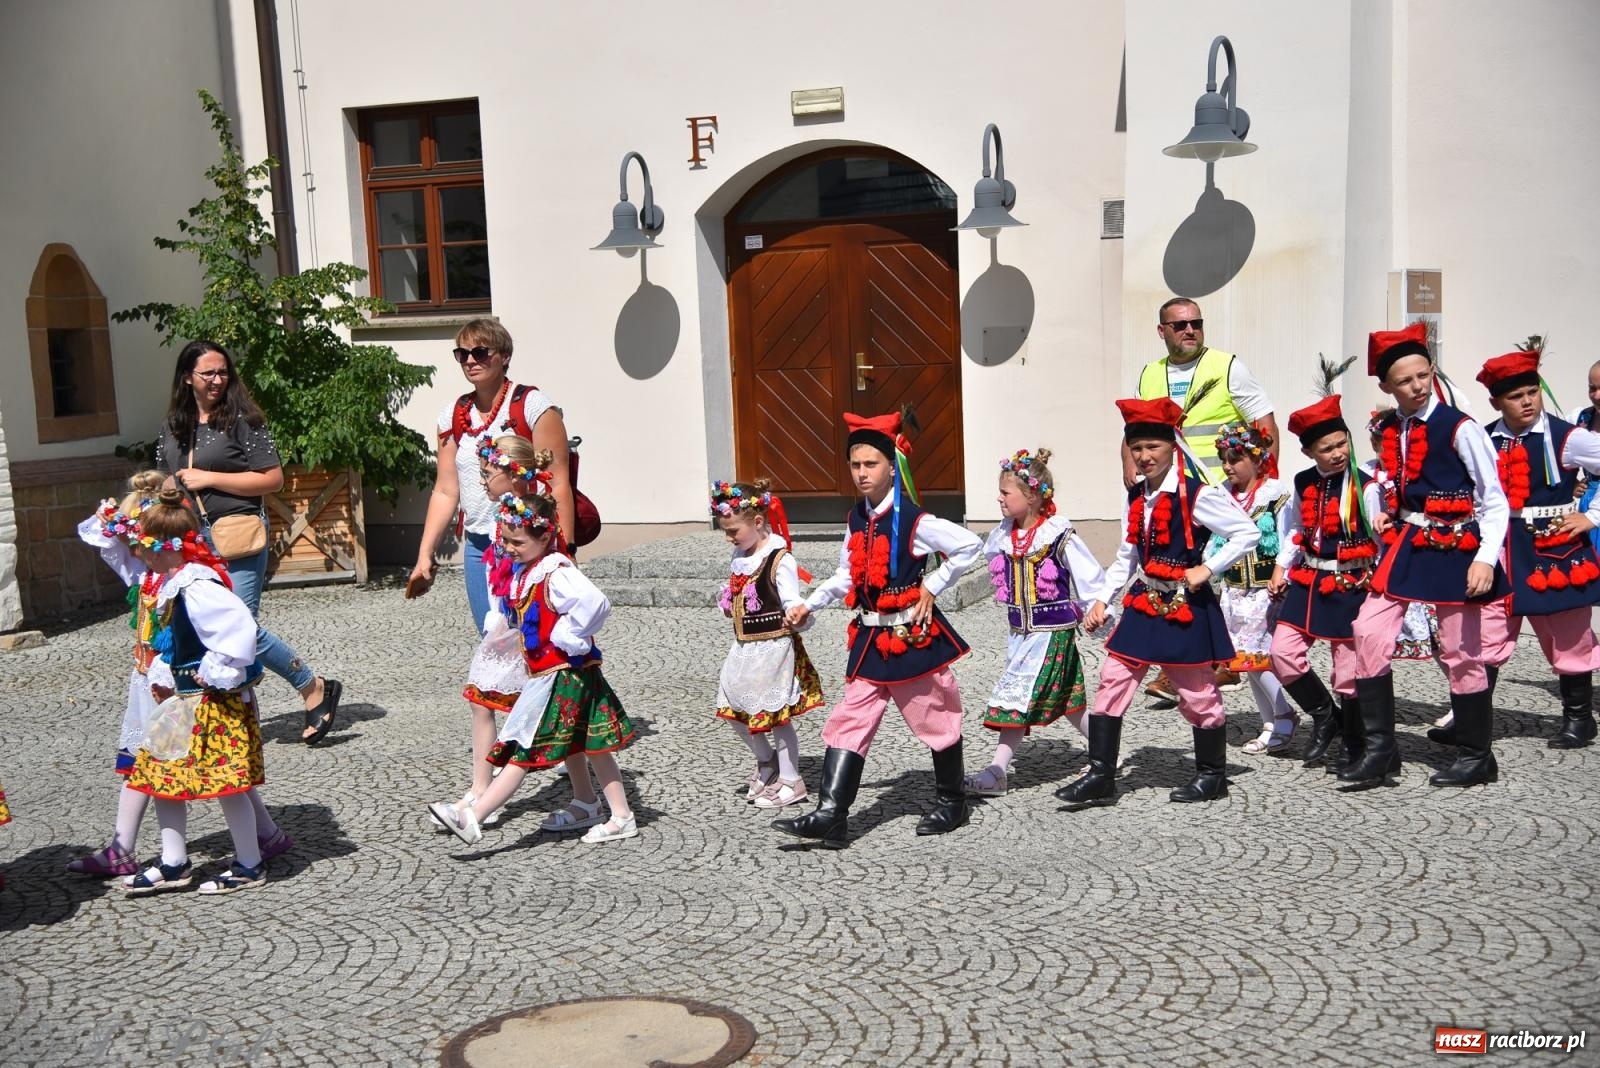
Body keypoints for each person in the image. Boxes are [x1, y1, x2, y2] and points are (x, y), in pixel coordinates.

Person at [771, 409, 983, 848]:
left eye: (871, 464)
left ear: (892, 466)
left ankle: (951, 800)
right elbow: (847, 575)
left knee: (936, 719)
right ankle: (832, 814)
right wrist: (809, 606)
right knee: (849, 721)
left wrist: (933, 583)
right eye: (855, 465)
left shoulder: (916, 521)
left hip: (911, 638)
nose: (862, 473)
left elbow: (969, 545)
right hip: (870, 640)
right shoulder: (854, 519)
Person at [68, 473, 294, 877]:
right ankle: (175, 860)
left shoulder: (195, 584)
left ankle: (250, 859)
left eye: (143, 547)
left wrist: (214, 670)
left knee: (228, 781)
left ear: (163, 547)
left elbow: (238, 630)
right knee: (157, 771)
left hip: (206, 699)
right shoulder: (168, 580)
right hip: (174, 695)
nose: (137, 553)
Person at [1060, 398, 1259, 808]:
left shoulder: (1197, 495)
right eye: (1137, 448)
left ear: (1173, 446)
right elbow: (1127, 555)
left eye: (1153, 447)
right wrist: (1103, 600)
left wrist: (1209, 568)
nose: (1144, 456)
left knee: (1198, 691)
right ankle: (1101, 775)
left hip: (1185, 606)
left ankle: (1211, 774)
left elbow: (1246, 532)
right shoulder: (1138, 495)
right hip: (1143, 601)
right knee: (1113, 679)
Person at [155, 340, 342, 744]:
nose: (218, 380)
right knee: (205, 630)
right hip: (191, 541)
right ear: (187, 377)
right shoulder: (174, 425)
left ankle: (312, 686)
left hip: (237, 532)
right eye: (208, 373)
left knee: (238, 627)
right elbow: (163, 476)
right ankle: (229, 715)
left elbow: (271, 478)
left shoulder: (243, 420)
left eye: (223, 372)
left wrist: (210, 479)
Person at [1349, 323, 1510, 789]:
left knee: (1461, 650)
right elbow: (1397, 484)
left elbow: (1494, 499)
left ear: (1432, 372)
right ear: (1386, 387)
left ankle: (1477, 756)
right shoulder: (1393, 428)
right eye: (1405, 381)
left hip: (1459, 548)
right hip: (1408, 545)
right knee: (1368, 628)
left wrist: (1485, 558)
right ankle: (1381, 752)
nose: (1417, 386)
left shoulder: (1461, 428)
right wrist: (1387, 512)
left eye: (1423, 375)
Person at [430, 491, 638, 845]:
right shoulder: (529, 569)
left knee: (524, 748)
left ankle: (473, 817)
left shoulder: (555, 572)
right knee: (585, 743)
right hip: (549, 673)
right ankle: (597, 806)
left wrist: (567, 635)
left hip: (564, 674)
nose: (509, 548)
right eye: (506, 540)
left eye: (518, 542)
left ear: (544, 537)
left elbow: (596, 603)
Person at [1131, 297, 1279, 702]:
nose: (1190, 330)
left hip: (1217, 493)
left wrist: (1263, 484)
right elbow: (1138, 431)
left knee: (1217, 581)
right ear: (1162, 331)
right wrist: (1131, 473)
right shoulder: (1150, 374)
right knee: (1173, 575)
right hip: (1172, 495)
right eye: (1179, 325)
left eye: (1196, 323)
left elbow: (1263, 423)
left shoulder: (1229, 367)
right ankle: (1189, 663)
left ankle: (1214, 661)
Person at [408, 319, 575, 637]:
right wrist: (424, 554)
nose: (471, 360)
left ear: (505, 355)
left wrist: (564, 552)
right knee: (493, 641)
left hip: (530, 543)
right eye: (462, 354)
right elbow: (445, 490)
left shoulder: (533, 407)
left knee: (537, 641)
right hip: (479, 546)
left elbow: (557, 484)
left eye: (481, 351)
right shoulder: (454, 415)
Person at [1475, 351, 1600, 750]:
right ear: (1496, 401)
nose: (1528, 401)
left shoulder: (1568, 437)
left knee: (1568, 635)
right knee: (1484, 637)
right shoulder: (1482, 437)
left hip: (1555, 552)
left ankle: (1579, 719)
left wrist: (1593, 515)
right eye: (1516, 396)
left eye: (1533, 392)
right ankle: (1472, 722)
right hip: (1500, 550)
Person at [966, 448, 1105, 797]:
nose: (999, 499)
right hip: (1020, 634)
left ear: (1031, 497)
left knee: (1016, 696)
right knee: (1069, 704)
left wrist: (1096, 609)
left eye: (1006, 493)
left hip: (1052, 633)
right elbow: (983, 557)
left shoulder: (1058, 535)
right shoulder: (1003, 535)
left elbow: (1089, 576)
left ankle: (997, 771)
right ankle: (1106, 751)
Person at [439, 435, 552, 829]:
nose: (482, 482)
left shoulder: (532, 524)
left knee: (559, 719)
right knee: (480, 698)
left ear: (515, 476)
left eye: (488, 474)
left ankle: (593, 798)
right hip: (505, 624)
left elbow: (548, 577)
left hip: (532, 632)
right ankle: (480, 789)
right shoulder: (499, 517)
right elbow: (497, 570)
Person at [1267, 397, 1382, 773]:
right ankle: (1324, 715)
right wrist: (1282, 567)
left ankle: (1354, 743)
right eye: (1326, 448)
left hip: (1352, 583)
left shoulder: (1366, 486)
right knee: (1282, 653)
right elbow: (1298, 529)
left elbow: (1381, 542)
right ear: (1308, 451)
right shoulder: (1303, 481)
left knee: (1347, 670)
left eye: (1341, 443)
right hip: (1309, 579)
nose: (1337, 453)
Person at [710, 479, 824, 809]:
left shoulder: (778, 559)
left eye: (733, 531)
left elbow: (791, 600)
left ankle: (791, 779)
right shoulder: (741, 555)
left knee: (777, 716)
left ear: (758, 522)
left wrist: (797, 615)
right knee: (734, 708)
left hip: (775, 647)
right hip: (744, 647)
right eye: (726, 532)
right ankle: (767, 760)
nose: (729, 538)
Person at [1208, 424, 1298, 756]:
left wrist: (1283, 573)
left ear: (1258, 460)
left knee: (1257, 660)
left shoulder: (1274, 494)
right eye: (1224, 460)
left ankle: (1283, 715)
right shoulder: (1222, 496)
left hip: (1265, 590)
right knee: (1246, 662)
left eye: (1236, 459)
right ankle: (1272, 722)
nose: (1229, 466)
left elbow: (1290, 536)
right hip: (1233, 591)